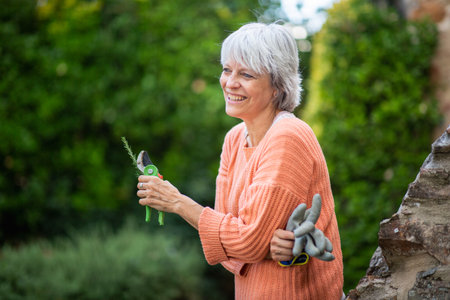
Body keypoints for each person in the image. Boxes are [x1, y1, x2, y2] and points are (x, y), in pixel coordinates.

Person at [137, 22, 344, 299]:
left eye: (246, 74)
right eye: (226, 69)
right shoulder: (235, 139)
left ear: (277, 87)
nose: (230, 82)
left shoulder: (287, 137)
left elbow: (243, 241)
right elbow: (229, 250)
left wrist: (178, 202)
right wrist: (260, 246)